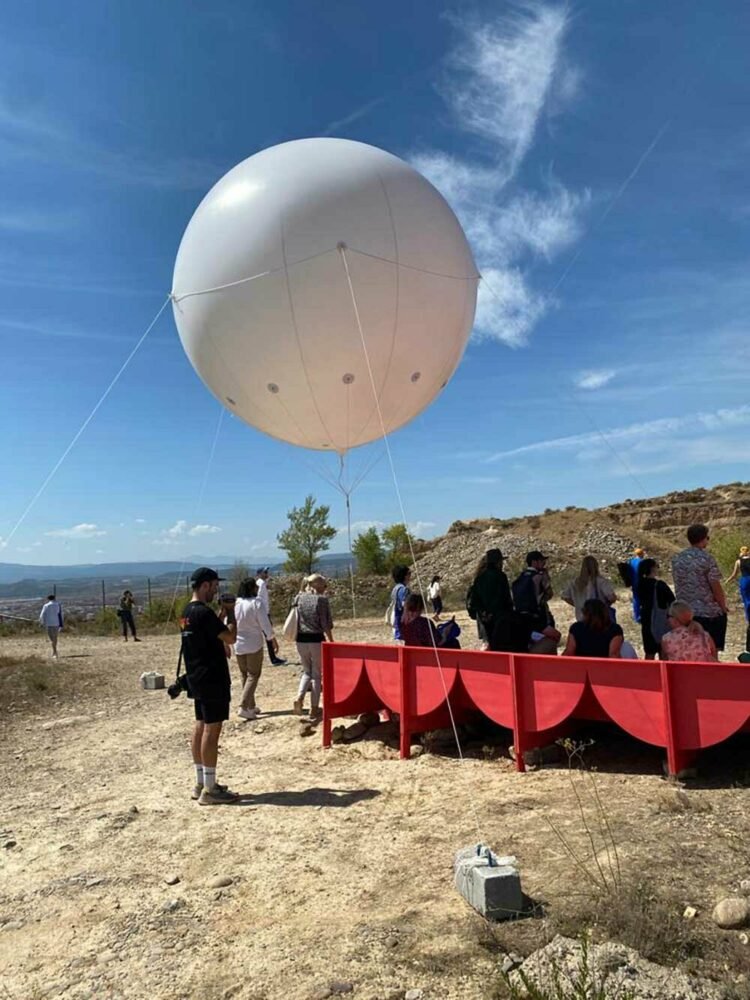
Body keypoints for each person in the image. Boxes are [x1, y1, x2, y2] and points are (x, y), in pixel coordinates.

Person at [180, 567, 238, 805]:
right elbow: (230, 638)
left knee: (200, 726)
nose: (217, 590)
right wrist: (231, 615)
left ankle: (201, 781)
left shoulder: (187, 612)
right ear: (205, 586)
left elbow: (205, 634)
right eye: (214, 586)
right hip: (213, 677)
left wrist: (220, 614)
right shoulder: (204, 613)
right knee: (211, 731)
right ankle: (211, 790)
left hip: (195, 676)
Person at [671, 524, 728, 653]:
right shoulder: (706, 558)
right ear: (703, 539)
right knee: (711, 650)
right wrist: (723, 606)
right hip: (707, 612)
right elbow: (715, 586)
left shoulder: (677, 559)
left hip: (683, 612)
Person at [233, 578, 276, 721]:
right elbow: (265, 623)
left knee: (245, 675)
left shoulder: (236, 603)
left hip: (238, 644)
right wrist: (271, 638)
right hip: (253, 644)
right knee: (253, 675)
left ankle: (251, 706)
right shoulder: (256, 603)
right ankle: (244, 706)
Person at [292, 574, 333, 721]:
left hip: (300, 639)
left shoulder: (298, 597)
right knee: (317, 675)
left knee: (306, 671)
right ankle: (314, 708)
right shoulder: (321, 600)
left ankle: (300, 696)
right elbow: (325, 623)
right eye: (323, 585)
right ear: (318, 585)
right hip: (316, 639)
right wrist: (331, 639)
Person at [468, 549, 513, 650]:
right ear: (498, 562)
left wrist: (483, 613)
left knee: (487, 644)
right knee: (501, 647)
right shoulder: (501, 576)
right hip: (500, 617)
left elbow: (473, 600)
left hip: (483, 618)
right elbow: (506, 598)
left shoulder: (478, 578)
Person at [637, 558, 675, 660]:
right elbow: (672, 601)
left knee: (649, 652)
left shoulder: (640, 584)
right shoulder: (659, 585)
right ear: (652, 569)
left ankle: (648, 674)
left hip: (646, 619)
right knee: (663, 651)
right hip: (660, 620)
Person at [562, 556, 617, 622]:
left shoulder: (574, 583)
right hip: (599, 619)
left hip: (581, 618)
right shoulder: (601, 581)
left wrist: (577, 605)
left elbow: (565, 597)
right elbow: (612, 597)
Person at [512, 551, 554, 632]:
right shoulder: (539, 576)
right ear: (534, 562)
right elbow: (550, 594)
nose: (544, 563)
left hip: (521, 616)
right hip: (538, 616)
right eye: (541, 561)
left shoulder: (521, 576)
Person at [256, 568, 286, 665]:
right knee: (268, 635)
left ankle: (273, 657)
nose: (266, 574)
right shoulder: (261, 584)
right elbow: (259, 598)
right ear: (260, 574)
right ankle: (273, 658)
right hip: (264, 613)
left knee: (268, 635)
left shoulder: (261, 583)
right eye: (265, 572)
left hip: (263, 612)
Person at [725, 546, 750, 628]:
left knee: (746, 600)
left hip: (744, 581)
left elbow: (734, 575)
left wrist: (728, 580)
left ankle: (748, 618)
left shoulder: (738, 562)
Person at [389, 565, 411, 641]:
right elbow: (405, 604)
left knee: (398, 637)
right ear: (404, 576)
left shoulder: (395, 588)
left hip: (395, 616)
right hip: (402, 617)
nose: (410, 576)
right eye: (409, 573)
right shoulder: (404, 589)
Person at [39, 594, 63, 660]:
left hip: (49, 624)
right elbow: (60, 614)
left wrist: (41, 623)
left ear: (48, 599)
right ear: (54, 598)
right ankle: (55, 651)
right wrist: (61, 624)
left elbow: (42, 615)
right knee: (55, 637)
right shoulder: (58, 605)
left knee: (52, 638)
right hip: (56, 623)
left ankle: (54, 652)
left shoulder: (46, 606)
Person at [629, 548, 646, 622]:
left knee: (636, 600)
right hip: (642, 583)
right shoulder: (642, 562)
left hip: (634, 583)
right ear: (642, 554)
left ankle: (637, 617)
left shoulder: (631, 561)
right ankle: (644, 616)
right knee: (644, 599)